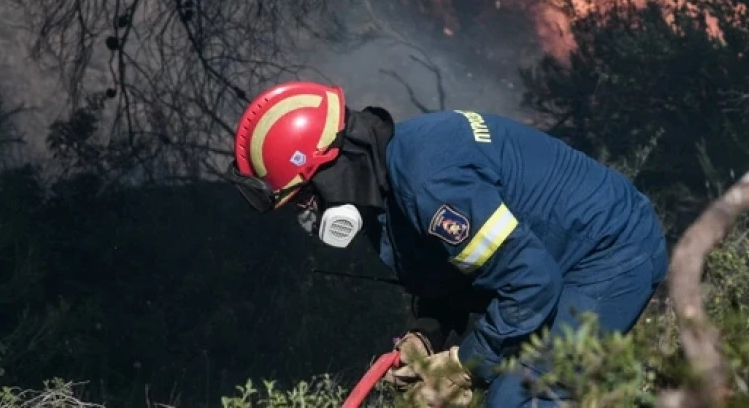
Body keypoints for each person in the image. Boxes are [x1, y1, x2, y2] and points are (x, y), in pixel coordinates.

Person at [227, 80, 669, 407]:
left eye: (305, 195)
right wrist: (429, 333)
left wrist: (466, 363)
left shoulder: (429, 182)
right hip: (556, 263)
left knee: (523, 396)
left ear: (329, 165)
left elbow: (532, 282)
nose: (311, 212)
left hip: (610, 253)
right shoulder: (386, 195)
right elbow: (454, 275)